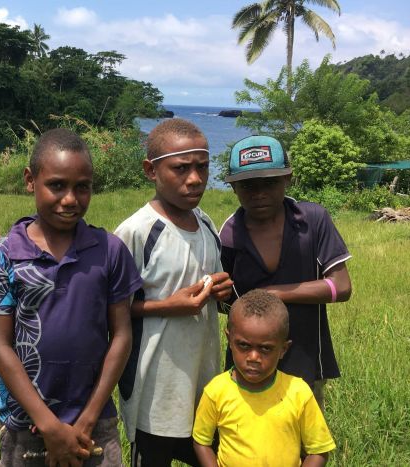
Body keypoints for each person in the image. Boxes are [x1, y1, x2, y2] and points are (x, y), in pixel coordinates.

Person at [0, 128, 142, 467]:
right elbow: (0, 347)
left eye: (83, 187)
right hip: (25, 422)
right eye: (57, 185)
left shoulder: (109, 251)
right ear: (30, 180)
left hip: (94, 422)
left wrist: (89, 418)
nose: (70, 199)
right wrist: (48, 425)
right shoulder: (2, 256)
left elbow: (121, 335)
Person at [114, 118, 234, 467]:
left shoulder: (207, 222)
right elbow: (109, 309)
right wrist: (167, 306)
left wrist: (220, 290)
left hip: (203, 382)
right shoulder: (136, 232)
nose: (195, 178)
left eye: (202, 167)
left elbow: (206, 283)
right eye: (181, 168)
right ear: (151, 171)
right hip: (153, 389)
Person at [219, 135, 352, 408]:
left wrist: (273, 293)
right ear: (233, 188)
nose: (259, 194)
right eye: (247, 186)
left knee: (306, 439)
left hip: (304, 355)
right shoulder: (229, 234)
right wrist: (217, 293)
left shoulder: (313, 221)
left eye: (270, 182)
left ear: (288, 178)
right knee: (247, 436)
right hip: (248, 362)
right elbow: (228, 301)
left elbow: (341, 286)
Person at [193, 289, 336, 466]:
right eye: (243, 345)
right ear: (230, 340)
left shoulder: (298, 392)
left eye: (265, 349)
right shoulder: (216, 391)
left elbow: (319, 451)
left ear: (283, 349)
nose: (253, 357)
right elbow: (202, 442)